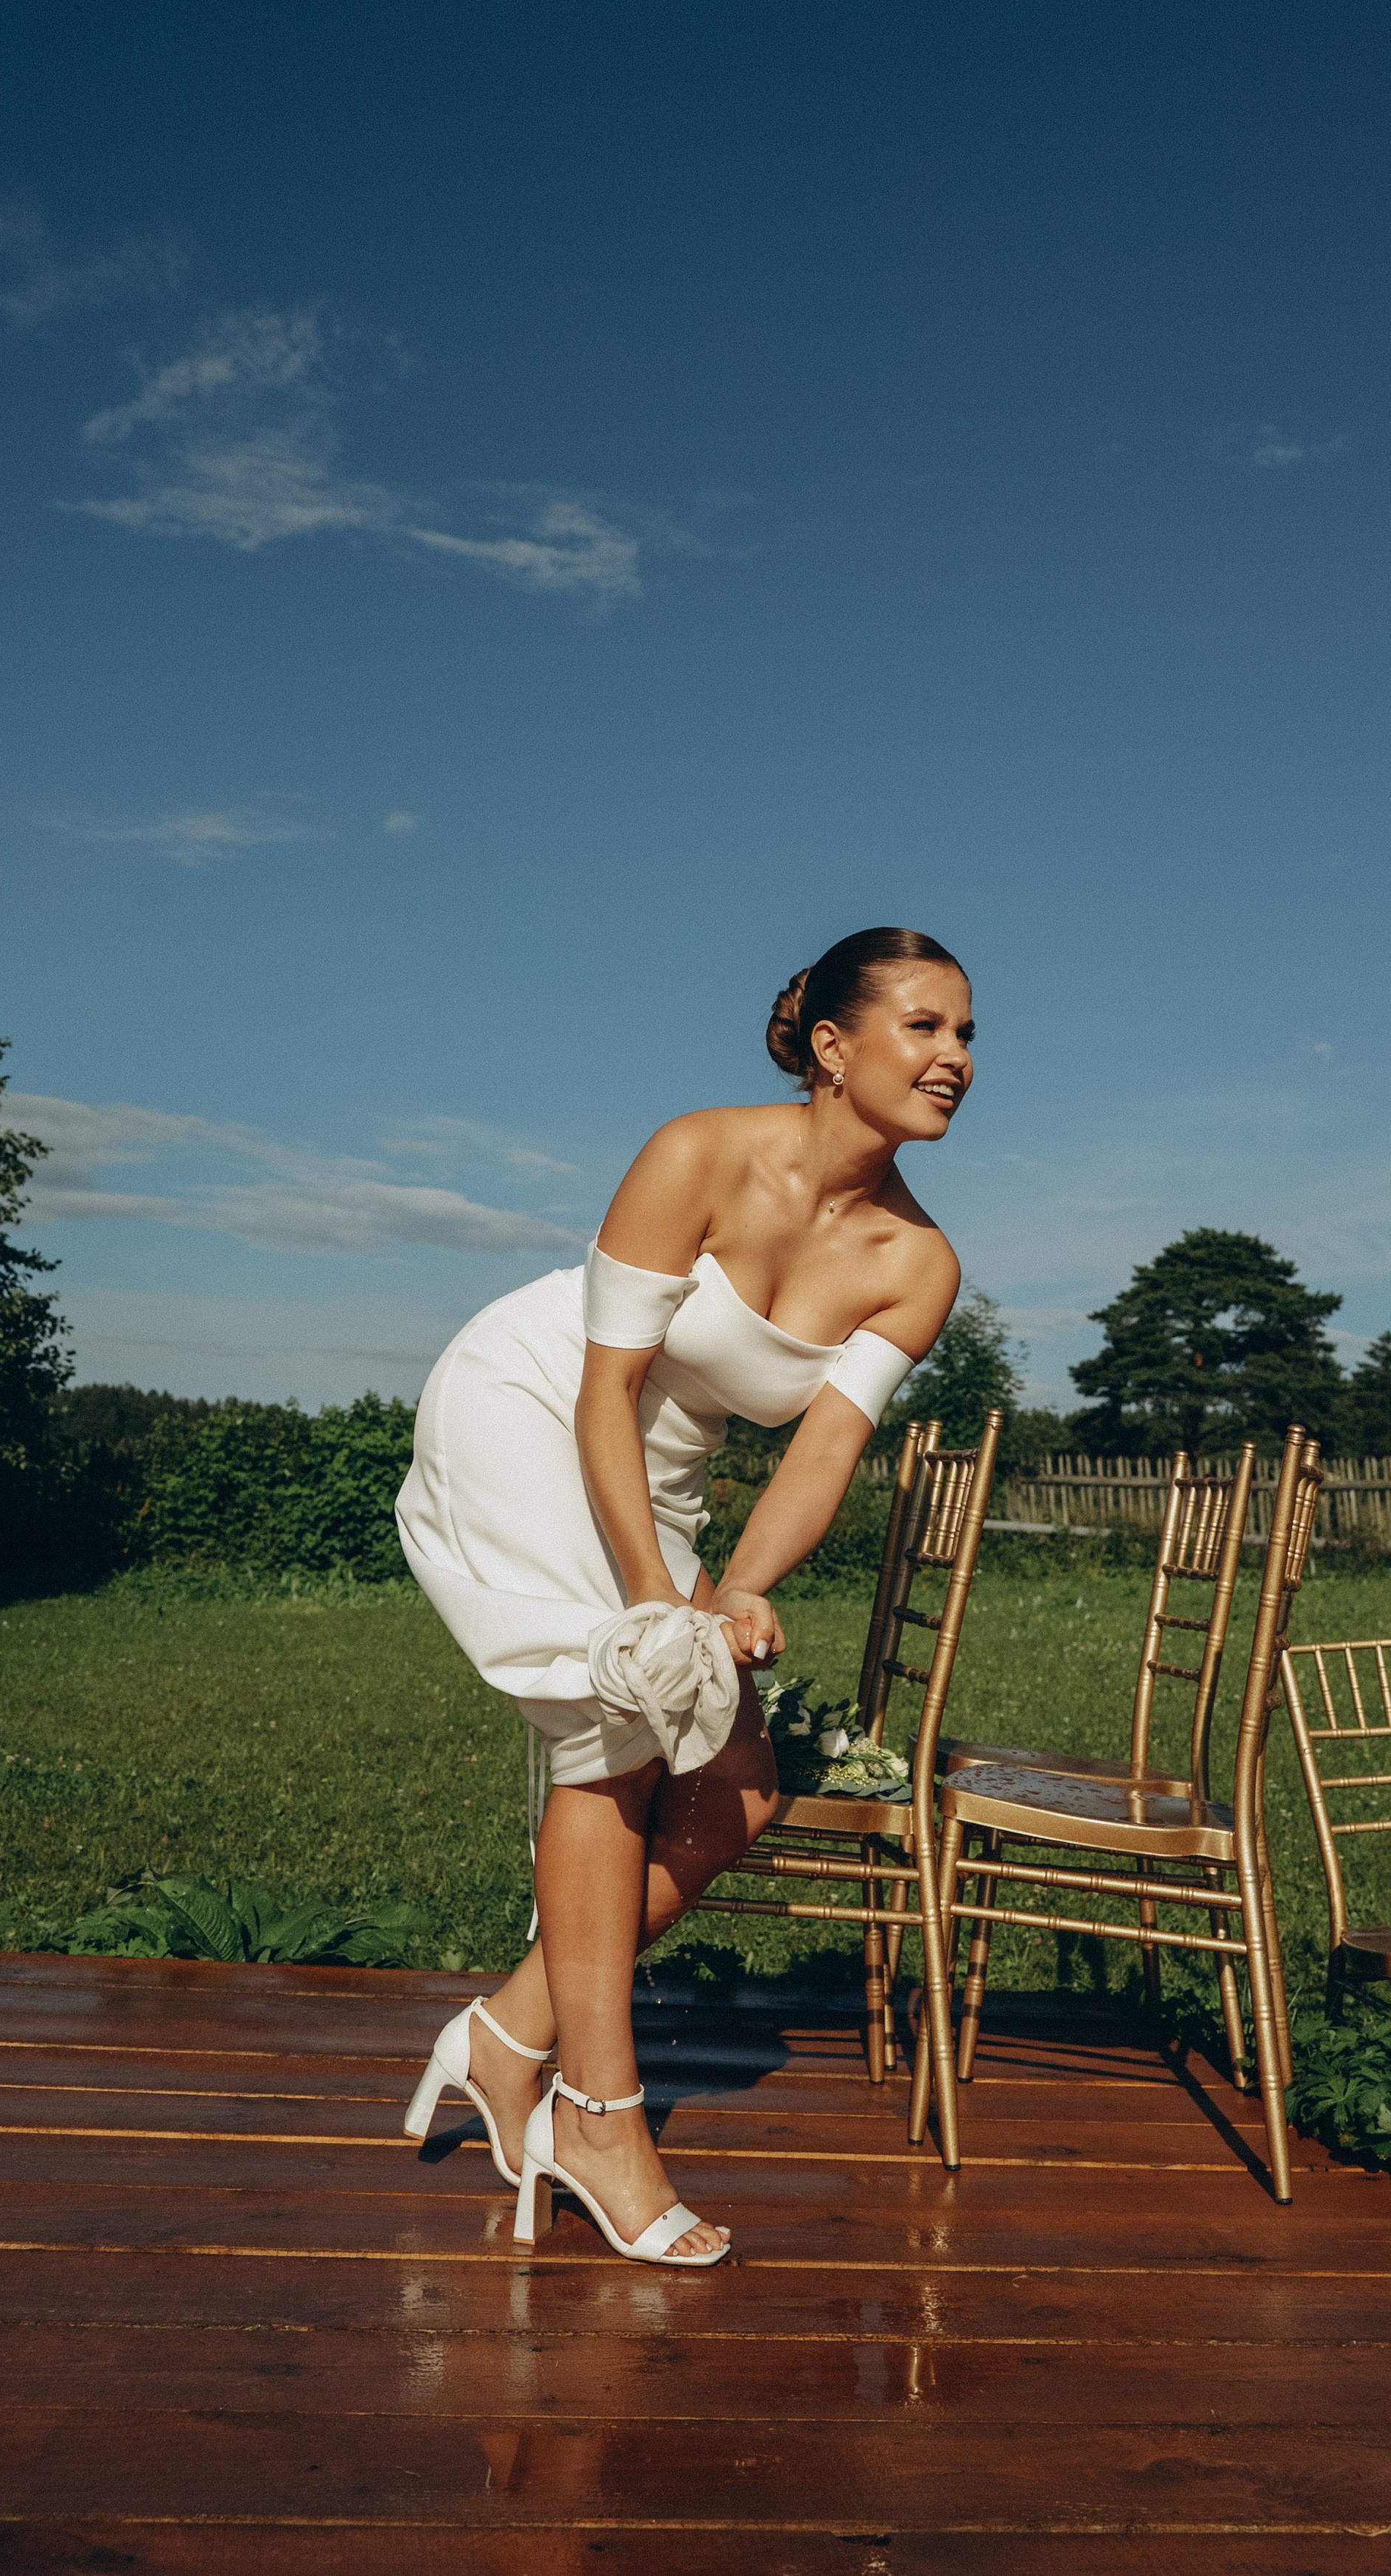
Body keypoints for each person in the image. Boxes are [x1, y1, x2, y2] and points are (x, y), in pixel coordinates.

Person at [394, 926, 971, 2263]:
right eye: (925, 1027)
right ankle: (599, 2119)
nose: (954, 1057)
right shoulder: (696, 1155)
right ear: (833, 1046)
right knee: (620, 1727)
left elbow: (823, 1452)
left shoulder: (918, 1265)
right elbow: (604, 1385)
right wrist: (661, 1604)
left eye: (965, 1035)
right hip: (535, 1405)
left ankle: (509, 2034)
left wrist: (740, 1588)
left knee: (741, 1786)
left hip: (660, 1475)